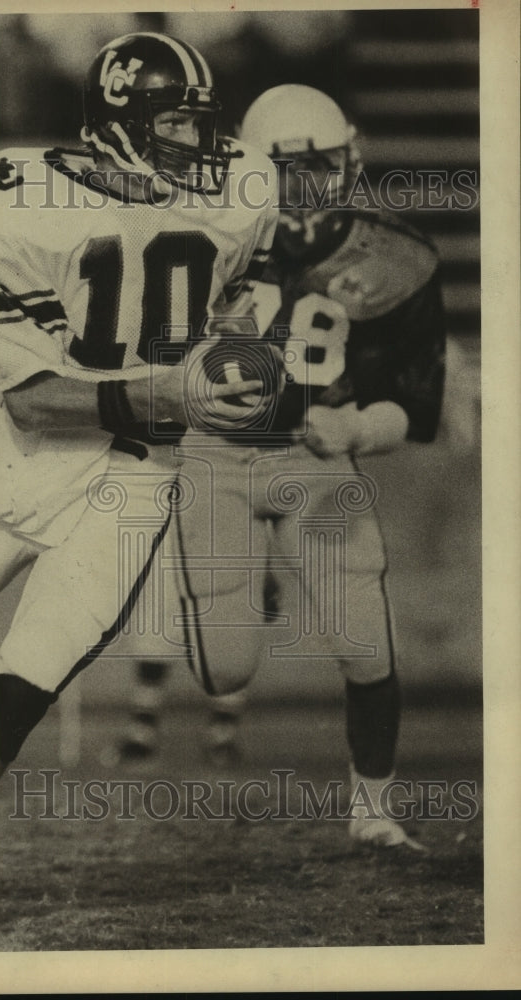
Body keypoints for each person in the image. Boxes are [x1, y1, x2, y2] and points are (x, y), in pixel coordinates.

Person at [0, 31, 278, 938]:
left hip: (138, 487)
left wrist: (236, 362)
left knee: (13, 702)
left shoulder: (235, 197)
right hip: (22, 471)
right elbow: (35, 406)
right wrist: (169, 388)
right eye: (180, 123)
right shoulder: (15, 196)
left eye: (203, 123)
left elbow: (236, 312)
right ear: (121, 125)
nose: (204, 144)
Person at [117, 84, 446, 850]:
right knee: (225, 670)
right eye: (284, 171)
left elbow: (415, 409)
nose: (303, 190)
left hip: (315, 457)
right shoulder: (195, 233)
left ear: (349, 158)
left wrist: (358, 422)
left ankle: (373, 810)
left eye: (317, 168)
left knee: (367, 641)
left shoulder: (395, 255)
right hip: (215, 455)